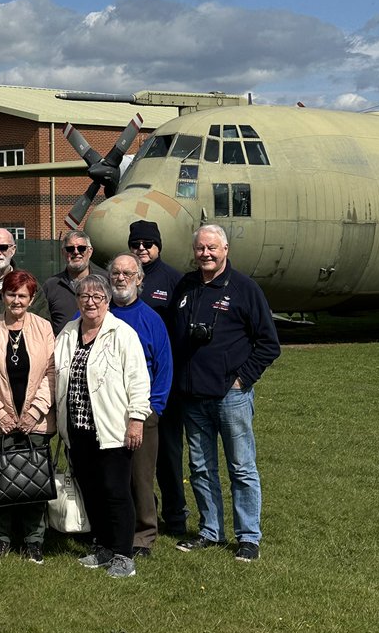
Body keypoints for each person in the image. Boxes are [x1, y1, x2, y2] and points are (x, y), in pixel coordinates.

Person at [169, 225, 280, 561]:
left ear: (226, 249)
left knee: (241, 467)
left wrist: (242, 379)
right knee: (201, 468)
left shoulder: (245, 289)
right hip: (193, 398)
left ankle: (248, 537)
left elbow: (268, 344)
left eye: (212, 248)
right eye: (201, 248)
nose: (206, 254)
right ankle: (211, 531)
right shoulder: (186, 286)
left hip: (231, 397)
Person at [54, 273, 151, 579]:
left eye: (98, 297)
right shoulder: (69, 332)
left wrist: (136, 419)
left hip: (111, 429)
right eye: (85, 297)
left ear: (107, 301)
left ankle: (123, 553)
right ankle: (103, 546)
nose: (91, 302)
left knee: (116, 491)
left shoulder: (121, 334)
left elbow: (138, 380)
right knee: (91, 490)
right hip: (77, 429)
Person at [0, 270, 56, 564]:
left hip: (36, 420)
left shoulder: (44, 328)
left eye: (22, 295)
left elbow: (52, 373)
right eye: (11, 294)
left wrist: (34, 411)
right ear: (3, 296)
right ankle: (0, 538)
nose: (16, 300)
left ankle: (34, 540)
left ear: (31, 299)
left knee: (34, 483)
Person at [108, 252, 173, 558]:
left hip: (141, 411)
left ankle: (143, 535)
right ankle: (110, 531)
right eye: (116, 274)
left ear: (139, 280)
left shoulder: (151, 320)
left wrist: (153, 409)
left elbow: (164, 368)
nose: (121, 279)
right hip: (105, 410)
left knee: (140, 477)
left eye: (127, 274)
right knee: (109, 477)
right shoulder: (97, 313)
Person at [129, 219, 187, 536]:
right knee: (137, 459)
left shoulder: (173, 280)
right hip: (130, 387)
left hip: (164, 384)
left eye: (147, 244)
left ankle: (176, 517)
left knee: (168, 454)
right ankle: (142, 510)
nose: (141, 249)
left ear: (158, 246)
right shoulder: (123, 280)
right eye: (136, 244)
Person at [42, 229, 102, 335]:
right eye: (70, 249)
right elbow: (42, 324)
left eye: (81, 248)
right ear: (63, 252)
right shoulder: (51, 285)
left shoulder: (104, 282)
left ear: (90, 251)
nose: (76, 252)